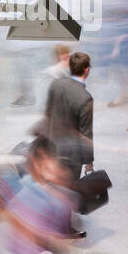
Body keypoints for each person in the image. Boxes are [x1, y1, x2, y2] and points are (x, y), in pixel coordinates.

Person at [39, 52, 94, 186]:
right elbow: (85, 133)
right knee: (68, 191)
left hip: (52, 148)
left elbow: (48, 114)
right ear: (86, 70)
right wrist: (89, 162)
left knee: (52, 188)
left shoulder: (56, 85)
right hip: (72, 155)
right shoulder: (85, 98)